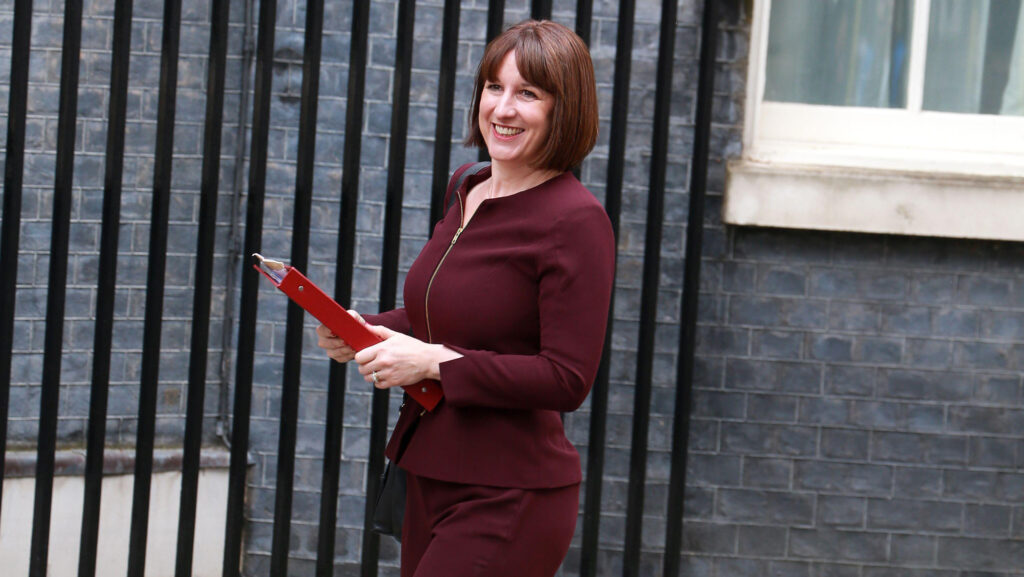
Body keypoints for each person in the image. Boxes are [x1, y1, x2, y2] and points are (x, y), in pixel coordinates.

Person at [316, 19, 614, 577]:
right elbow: (447, 316)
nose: (503, 108)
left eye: (528, 93)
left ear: (563, 108)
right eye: (494, 87)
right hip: (427, 473)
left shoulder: (577, 221)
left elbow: (567, 378)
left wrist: (432, 361)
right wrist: (365, 328)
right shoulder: (467, 184)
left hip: (510, 494)